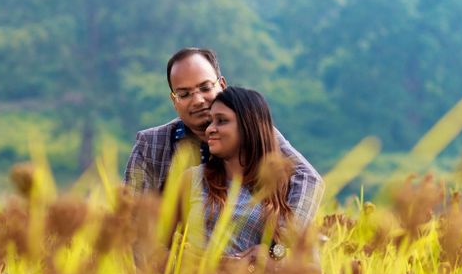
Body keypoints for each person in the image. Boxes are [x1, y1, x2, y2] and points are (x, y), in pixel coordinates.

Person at [123, 47, 324, 235]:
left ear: (222, 85)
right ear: (174, 101)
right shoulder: (150, 145)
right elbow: (129, 218)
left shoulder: (253, 131)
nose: (198, 100)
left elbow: (308, 178)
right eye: (184, 94)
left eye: (205, 87)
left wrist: (279, 246)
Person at [181, 86, 297, 259]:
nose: (210, 129)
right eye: (211, 121)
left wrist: (271, 255)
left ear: (248, 126)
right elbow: (160, 246)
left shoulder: (280, 186)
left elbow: (312, 266)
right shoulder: (193, 178)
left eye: (221, 121)